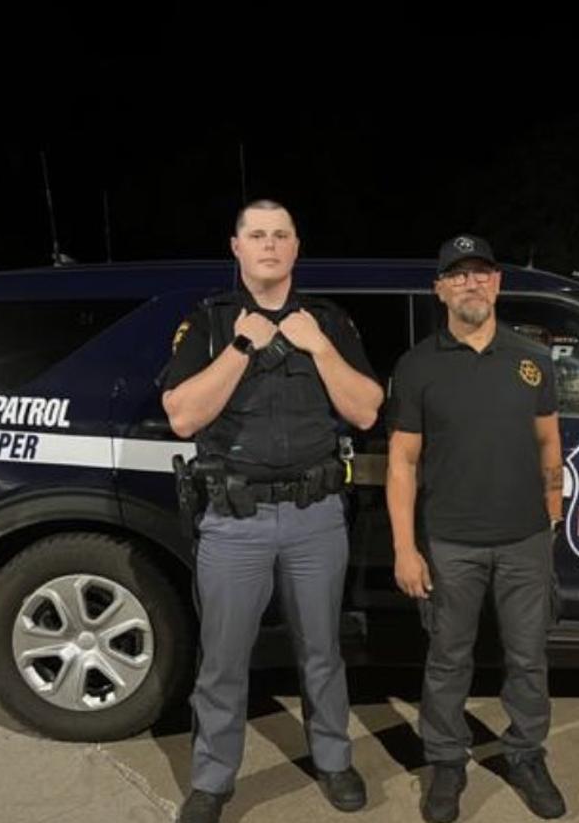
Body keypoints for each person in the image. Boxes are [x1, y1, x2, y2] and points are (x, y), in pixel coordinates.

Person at [162, 199, 384, 822]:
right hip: (235, 521)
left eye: (280, 235)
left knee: (323, 653)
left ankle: (335, 763)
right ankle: (212, 781)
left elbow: (366, 410)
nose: (268, 244)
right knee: (224, 659)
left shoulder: (330, 322)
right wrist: (240, 346)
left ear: (295, 248)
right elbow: (183, 418)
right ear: (236, 248)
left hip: (316, 517)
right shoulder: (207, 323)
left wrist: (317, 348)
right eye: (256, 235)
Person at [385, 234, 567, 822]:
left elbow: (549, 443)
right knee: (447, 659)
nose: (471, 283)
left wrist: (554, 513)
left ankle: (525, 756)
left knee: (528, 659)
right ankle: (444, 762)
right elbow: (402, 463)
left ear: (498, 284)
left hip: (525, 541)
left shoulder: (532, 360)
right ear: (439, 289)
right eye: (457, 275)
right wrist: (405, 549)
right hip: (450, 544)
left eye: (481, 273)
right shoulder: (417, 366)